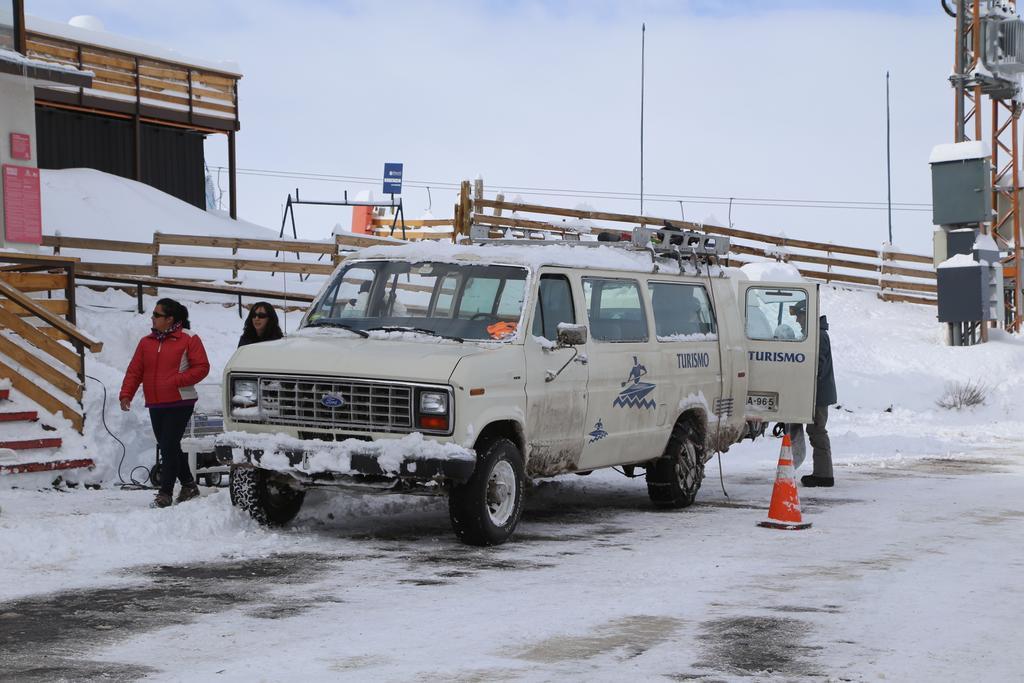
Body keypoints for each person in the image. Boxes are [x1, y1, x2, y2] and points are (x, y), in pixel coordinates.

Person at [120, 298, 211, 508]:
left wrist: (177, 380)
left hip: (181, 401)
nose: (152, 318)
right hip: (156, 403)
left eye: (156, 315)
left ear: (170, 319)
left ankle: (165, 492)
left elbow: (202, 367)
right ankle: (189, 485)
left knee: (168, 445)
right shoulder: (146, 342)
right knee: (169, 445)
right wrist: (126, 393)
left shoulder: (189, 338)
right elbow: (135, 370)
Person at [787, 300, 837, 487]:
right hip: (816, 392)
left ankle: (824, 476)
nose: (798, 321)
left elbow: (816, 366)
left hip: (819, 394)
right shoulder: (813, 334)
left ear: (807, 315)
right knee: (815, 431)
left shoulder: (818, 336)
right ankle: (823, 473)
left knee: (817, 431)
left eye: (799, 316)